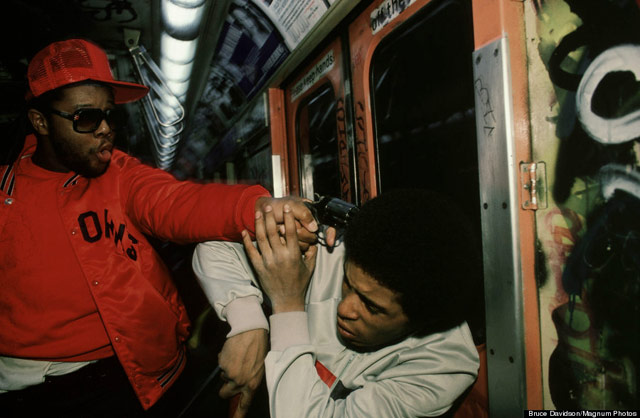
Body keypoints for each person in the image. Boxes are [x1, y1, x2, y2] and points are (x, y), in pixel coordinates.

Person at [0, 38, 321, 417]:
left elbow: (177, 204)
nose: (105, 129)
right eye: (86, 118)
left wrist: (260, 207)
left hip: (140, 374)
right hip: (31, 392)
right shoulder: (6, 193)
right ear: (40, 122)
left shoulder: (121, 174)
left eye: (110, 116)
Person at [193, 189, 481, 417]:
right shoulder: (334, 253)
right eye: (348, 283)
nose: (345, 309)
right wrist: (249, 324)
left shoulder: (441, 367)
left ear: (422, 324)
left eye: (372, 307)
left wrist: (287, 304)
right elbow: (216, 249)